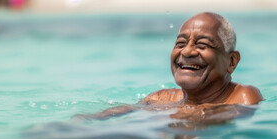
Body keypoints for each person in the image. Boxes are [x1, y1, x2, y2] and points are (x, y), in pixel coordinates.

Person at [74, 12, 263, 121]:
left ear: (231, 62)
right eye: (180, 44)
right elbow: (110, 115)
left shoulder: (242, 96)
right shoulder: (162, 97)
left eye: (202, 45)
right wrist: (82, 121)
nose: (187, 52)